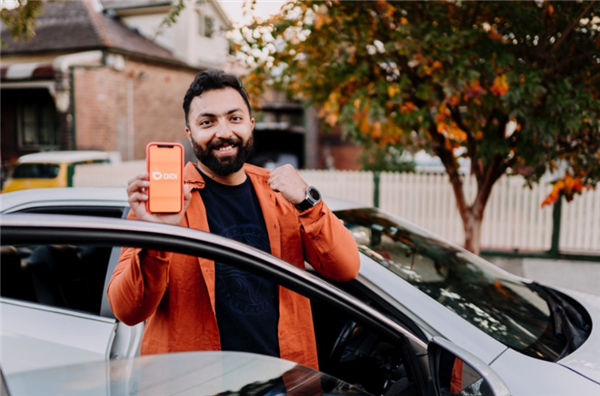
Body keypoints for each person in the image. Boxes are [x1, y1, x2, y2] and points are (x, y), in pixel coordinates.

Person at [107, 70, 360, 370]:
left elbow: (345, 267)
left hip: (281, 381)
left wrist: (308, 200)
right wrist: (157, 236)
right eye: (207, 122)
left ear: (251, 125)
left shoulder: (283, 195)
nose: (223, 132)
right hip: (194, 385)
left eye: (234, 118)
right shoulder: (161, 205)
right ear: (189, 134)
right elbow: (128, 310)